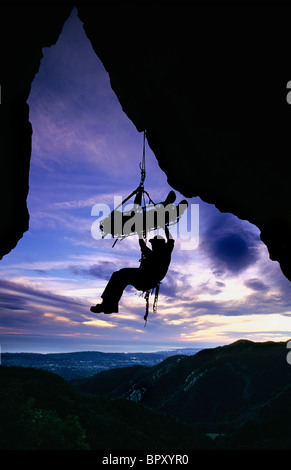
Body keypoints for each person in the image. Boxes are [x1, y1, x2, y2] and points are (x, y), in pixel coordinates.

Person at [90, 226, 174, 314]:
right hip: (143, 279)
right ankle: (108, 305)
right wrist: (139, 232)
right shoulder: (150, 253)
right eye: (152, 244)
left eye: (154, 243)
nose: (152, 245)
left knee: (120, 274)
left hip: (148, 278)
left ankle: (108, 305)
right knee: (119, 278)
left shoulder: (165, 252)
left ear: (160, 244)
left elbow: (171, 240)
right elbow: (142, 245)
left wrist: (164, 227)